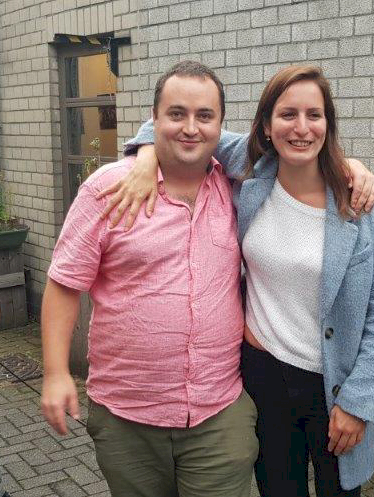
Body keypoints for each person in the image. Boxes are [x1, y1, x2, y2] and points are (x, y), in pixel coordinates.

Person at [100, 64, 374, 496]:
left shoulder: (360, 202)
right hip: (262, 377)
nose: (301, 128)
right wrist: (146, 159)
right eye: (287, 114)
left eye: (314, 115)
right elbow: (171, 126)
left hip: (335, 384)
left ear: (328, 124)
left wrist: (359, 401)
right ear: (266, 125)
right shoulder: (251, 168)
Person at [40, 61, 260, 497]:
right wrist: (55, 372)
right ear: (153, 118)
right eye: (177, 113)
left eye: (204, 115)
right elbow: (65, 283)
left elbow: (299, 157)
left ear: (221, 126)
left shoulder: (237, 188)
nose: (191, 128)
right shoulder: (108, 190)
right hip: (127, 417)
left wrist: (349, 167)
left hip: (218, 413)